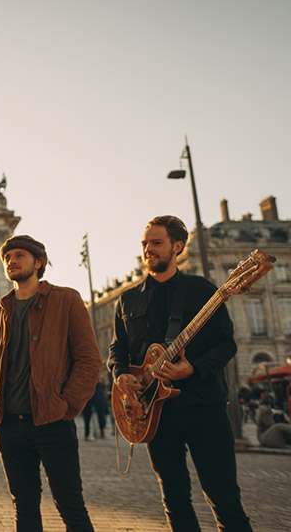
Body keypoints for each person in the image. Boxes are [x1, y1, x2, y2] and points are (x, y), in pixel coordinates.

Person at [108, 215, 252, 531]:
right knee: (174, 501)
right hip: (155, 414)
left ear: (177, 246)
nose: (148, 250)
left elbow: (226, 344)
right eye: (145, 244)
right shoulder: (128, 299)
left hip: (203, 407)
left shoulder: (203, 291)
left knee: (224, 499)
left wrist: (194, 368)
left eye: (156, 243)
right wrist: (121, 375)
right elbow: (117, 350)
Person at [0, 235, 100, 531]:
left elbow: (89, 360)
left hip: (51, 421)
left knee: (70, 505)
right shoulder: (2, 310)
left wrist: (66, 405)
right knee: (24, 509)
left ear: (39, 263)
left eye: (19, 255)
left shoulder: (66, 299)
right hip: (9, 424)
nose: (12, 261)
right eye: (8, 258)